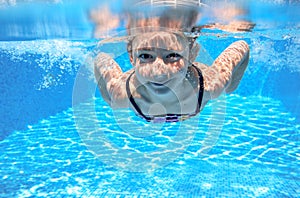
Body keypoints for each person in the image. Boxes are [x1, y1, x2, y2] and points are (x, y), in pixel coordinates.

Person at [93, 9, 250, 123]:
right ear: (131, 58)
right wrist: (109, 100)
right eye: (145, 56)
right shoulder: (122, 94)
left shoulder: (210, 86)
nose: (159, 72)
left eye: (173, 56)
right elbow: (100, 59)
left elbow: (242, 46)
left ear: (192, 55)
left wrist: (230, 88)